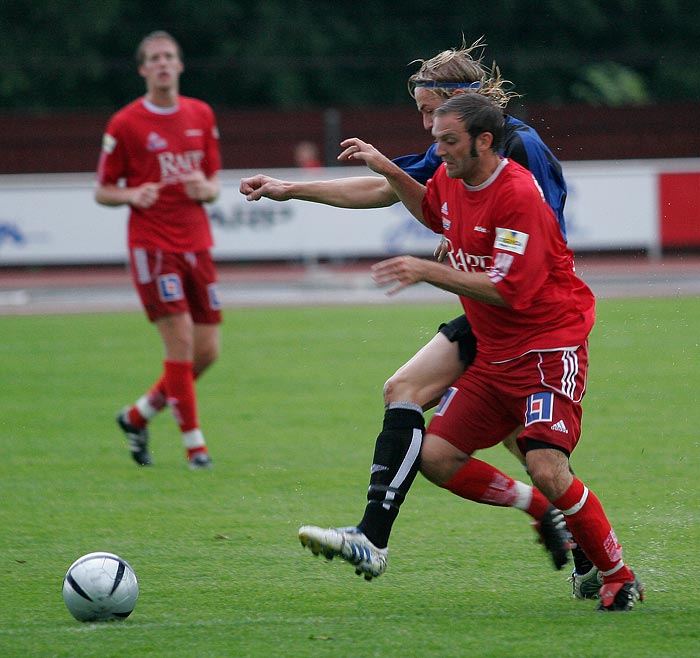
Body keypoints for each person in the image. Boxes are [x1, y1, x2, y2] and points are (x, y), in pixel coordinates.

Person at [242, 41, 600, 597]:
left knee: (430, 402)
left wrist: (466, 241)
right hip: (489, 313)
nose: (427, 125)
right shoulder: (455, 144)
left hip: (526, 316)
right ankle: (560, 531)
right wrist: (292, 189)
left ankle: (376, 537)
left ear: (463, 106)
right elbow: (389, 188)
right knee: (518, 450)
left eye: (430, 111)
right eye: (423, 115)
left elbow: (533, 238)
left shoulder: (515, 147)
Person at [326, 92, 644, 611]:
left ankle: (617, 574)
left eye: (448, 141)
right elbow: (430, 209)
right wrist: (385, 166)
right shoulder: (452, 177)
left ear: (485, 140)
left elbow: (509, 290)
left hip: (548, 345)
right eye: (435, 139)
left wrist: (426, 270)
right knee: (436, 458)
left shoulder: (519, 193)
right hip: (494, 353)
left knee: (545, 463)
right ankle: (547, 512)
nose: (439, 151)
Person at [95, 31, 222, 469]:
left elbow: (212, 184)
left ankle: (136, 416)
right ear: (143, 69)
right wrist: (132, 195)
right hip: (153, 245)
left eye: (170, 56)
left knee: (207, 351)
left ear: (180, 65)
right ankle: (196, 448)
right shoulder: (125, 123)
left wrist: (204, 188)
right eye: (155, 58)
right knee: (181, 343)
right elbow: (103, 191)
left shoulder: (201, 114)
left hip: (197, 243)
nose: (164, 63)